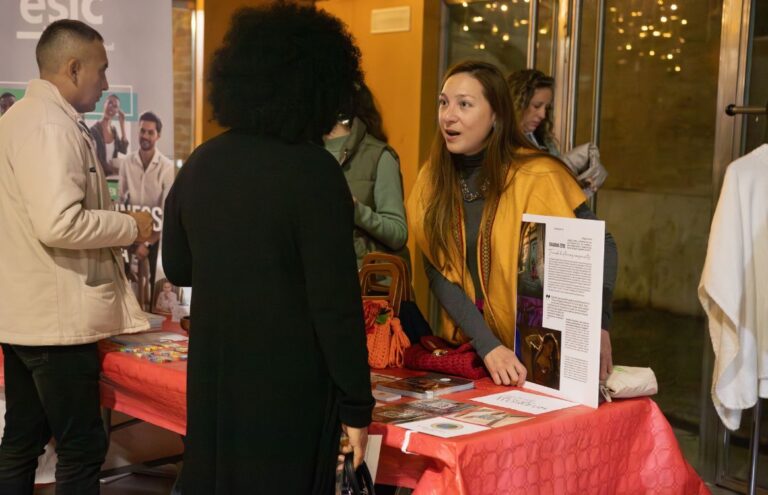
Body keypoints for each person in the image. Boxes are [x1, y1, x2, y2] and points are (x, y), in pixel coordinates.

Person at [162, 5, 373, 493]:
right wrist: (357, 406)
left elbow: (177, 266)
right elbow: (335, 305)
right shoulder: (315, 173)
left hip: (217, 380)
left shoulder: (203, 162)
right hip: (290, 392)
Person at [0, 19, 154, 494]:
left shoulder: (20, 119)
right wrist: (130, 227)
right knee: (81, 446)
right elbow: (58, 222)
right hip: (55, 322)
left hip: (29, 313)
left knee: (23, 439)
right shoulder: (50, 126)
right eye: (101, 71)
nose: (106, 83)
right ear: (72, 68)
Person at [407, 61, 617, 387]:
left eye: (464, 104)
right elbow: (437, 271)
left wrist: (600, 325)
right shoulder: (430, 181)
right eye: (443, 102)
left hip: (541, 359)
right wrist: (488, 346)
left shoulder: (538, 174)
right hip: (476, 356)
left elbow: (603, 244)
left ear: (496, 115)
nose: (448, 115)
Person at [323, 82, 408, 268]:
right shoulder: (302, 153)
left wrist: (357, 211)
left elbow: (398, 234)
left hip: (365, 286)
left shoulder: (379, 156)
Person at [507, 69, 608, 196]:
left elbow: (555, 191)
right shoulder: (497, 143)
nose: (542, 115)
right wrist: (565, 165)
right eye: (537, 106)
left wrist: (583, 180)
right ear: (516, 104)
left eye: (547, 108)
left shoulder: (544, 141)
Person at [116, 111, 175, 309]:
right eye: (142, 131)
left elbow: (166, 212)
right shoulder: (127, 162)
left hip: (155, 237)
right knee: (126, 285)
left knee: (153, 290)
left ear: (157, 136)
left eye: (150, 132)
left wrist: (148, 243)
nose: (145, 136)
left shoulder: (167, 167)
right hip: (131, 233)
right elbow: (121, 200)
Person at [89, 93, 128, 176]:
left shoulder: (113, 130)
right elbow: (93, 161)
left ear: (117, 111)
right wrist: (113, 169)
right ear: (104, 104)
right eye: (109, 103)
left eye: (115, 106)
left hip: (112, 179)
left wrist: (122, 124)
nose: (111, 107)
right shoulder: (93, 131)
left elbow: (123, 150)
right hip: (99, 177)